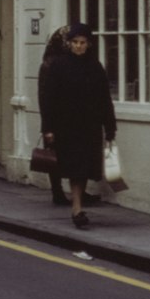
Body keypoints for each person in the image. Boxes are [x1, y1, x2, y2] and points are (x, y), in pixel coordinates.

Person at [39, 21, 117, 230]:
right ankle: (77, 208)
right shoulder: (58, 66)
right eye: (75, 42)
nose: (79, 46)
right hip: (67, 126)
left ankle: (77, 207)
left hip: (90, 126)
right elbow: (49, 100)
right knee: (76, 168)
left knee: (83, 169)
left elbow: (104, 99)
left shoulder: (95, 67)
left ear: (88, 44)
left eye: (83, 42)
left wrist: (110, 127)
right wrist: (48, 129)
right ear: (69, 43)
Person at [36, 26, 69, 206]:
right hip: (55, 118)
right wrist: (47, 127)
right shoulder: (48, 65)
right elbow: (44, 97)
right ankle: (57, 192)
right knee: (54, 156)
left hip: (66, 117)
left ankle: (73, 190)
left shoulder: (65, 62)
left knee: (70, 156)